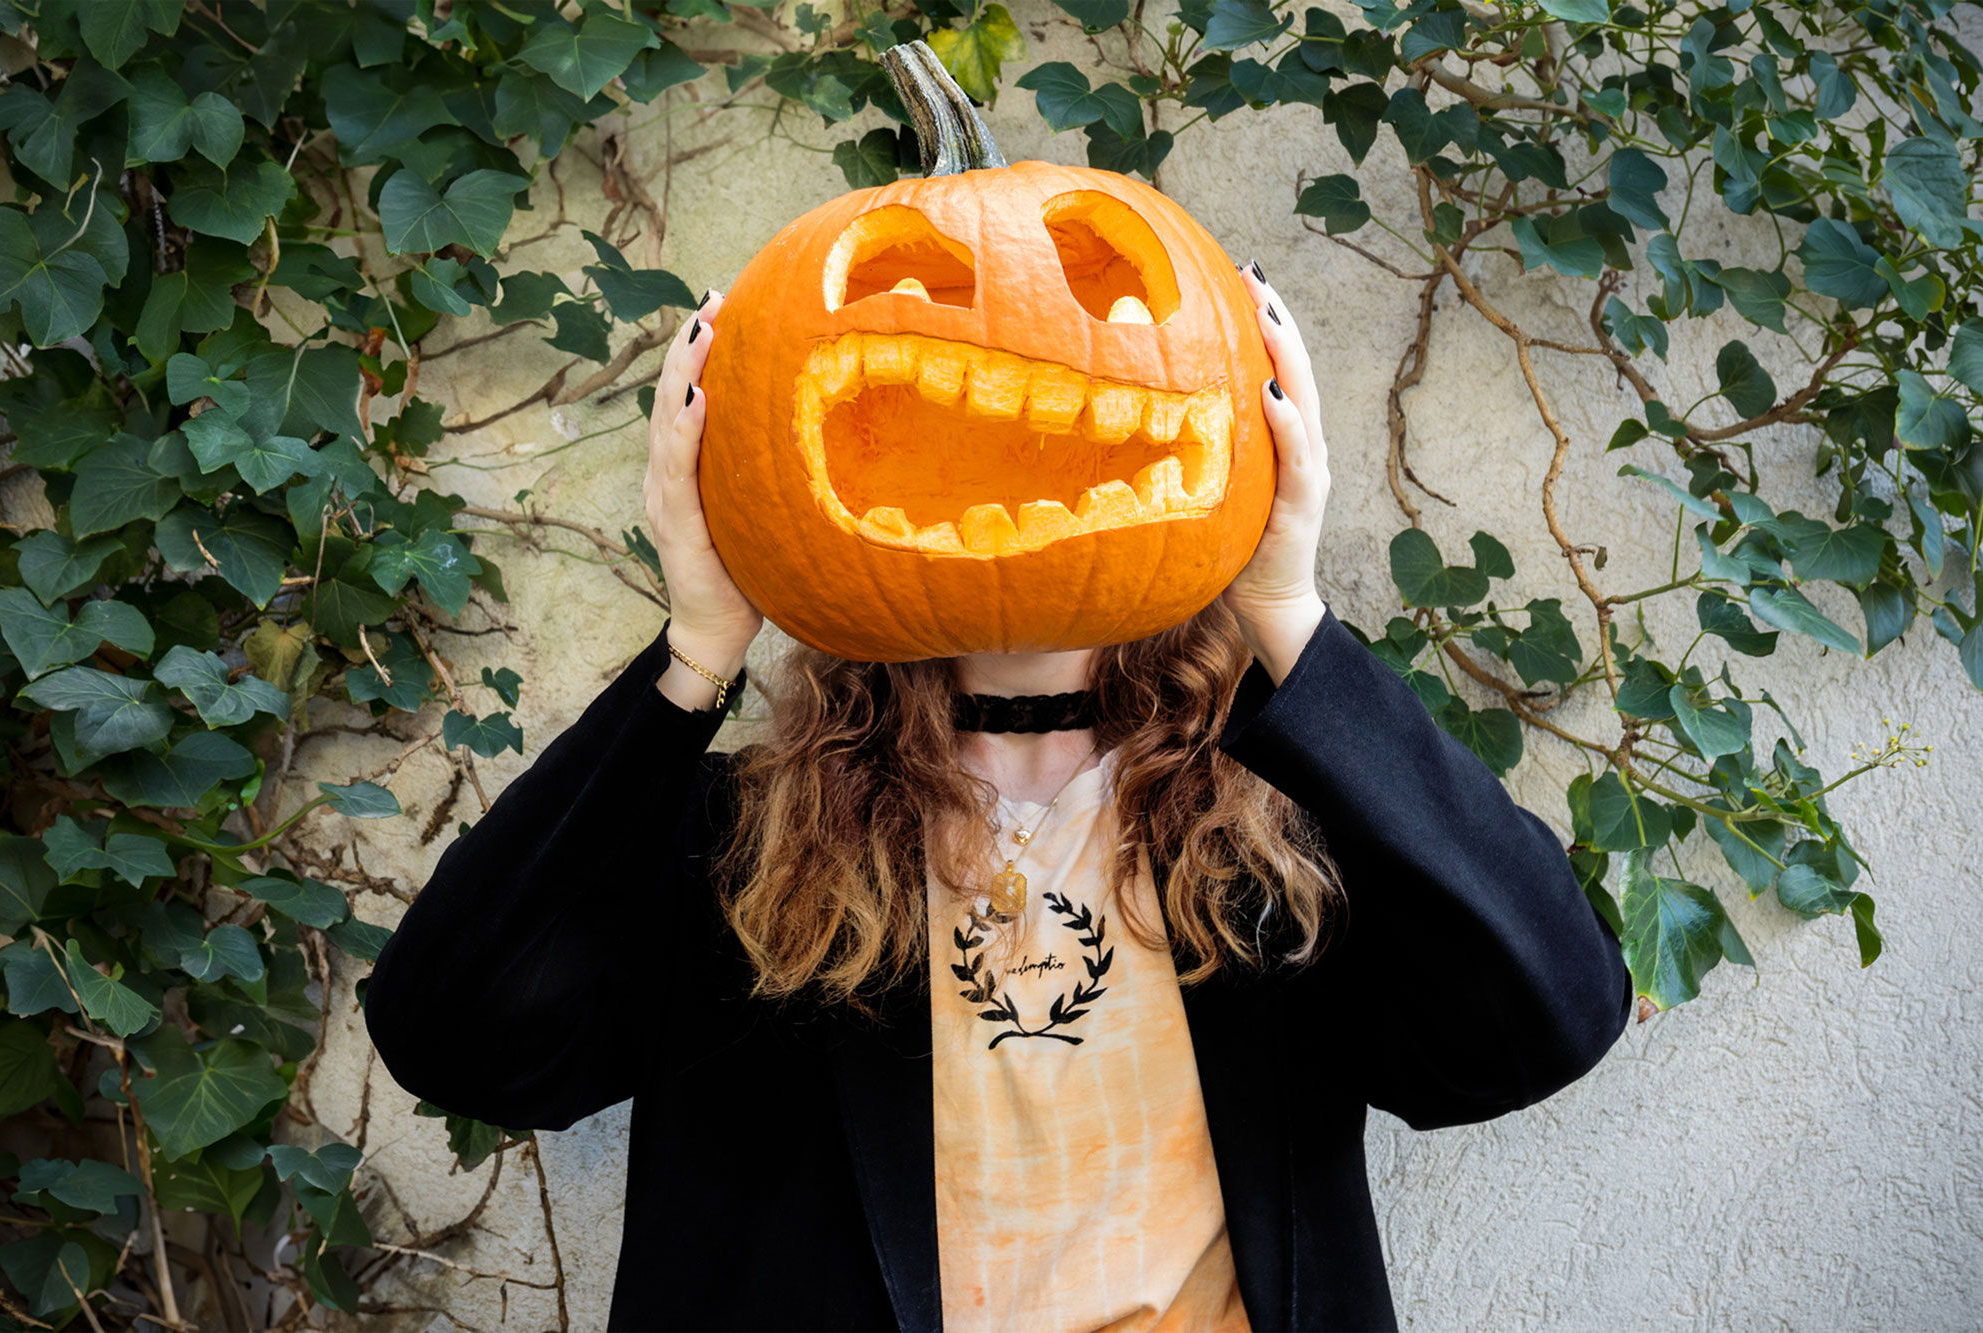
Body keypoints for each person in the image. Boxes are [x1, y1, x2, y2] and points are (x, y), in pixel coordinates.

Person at [364, 262, 1633, 1332]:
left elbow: (1551, 1016)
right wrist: (696, 648)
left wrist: (1290, 617)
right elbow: (454, 1036)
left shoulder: (1276, 840)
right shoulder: (733, 849)